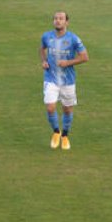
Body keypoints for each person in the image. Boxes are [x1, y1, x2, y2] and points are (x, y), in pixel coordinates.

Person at [39, 10, 88, 150]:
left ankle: (65, 135)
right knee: (50, 107)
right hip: (51, 78)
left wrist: (68, 63)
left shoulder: (73, 39)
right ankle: (56, 132)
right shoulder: (46, 36)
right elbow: (42, 49)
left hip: (68, 81)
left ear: (67, 22)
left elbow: (85, 57)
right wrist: (43, 61)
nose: (57, 21)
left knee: (67, 110)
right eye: (55, 18)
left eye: (61, 18)